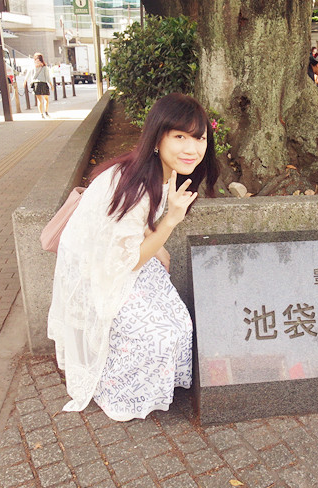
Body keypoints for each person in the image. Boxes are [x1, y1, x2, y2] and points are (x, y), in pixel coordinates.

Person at [47, 93, 220, 420]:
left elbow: (131, 224)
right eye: (179, 137)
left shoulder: (161, 169)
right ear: (158, 138)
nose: (191, 148)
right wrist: (169, 223)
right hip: (102, 271)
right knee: (160, 334)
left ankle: (160, 378)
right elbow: (127, 261)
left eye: (198, 138)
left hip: (122, 257)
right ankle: (114, 387)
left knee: (181, 323)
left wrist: (158, 243)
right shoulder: (136, 181)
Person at [27, 53, 51, 118]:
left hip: (36, 84)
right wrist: (51, 85)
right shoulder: (44, 67)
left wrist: (26, 81)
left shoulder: (33, 67)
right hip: (43, 83)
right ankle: (46, 112)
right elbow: (47, 77)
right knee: (46, 99)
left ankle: (41, 114)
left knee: (39, 100)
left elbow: (30, 76)